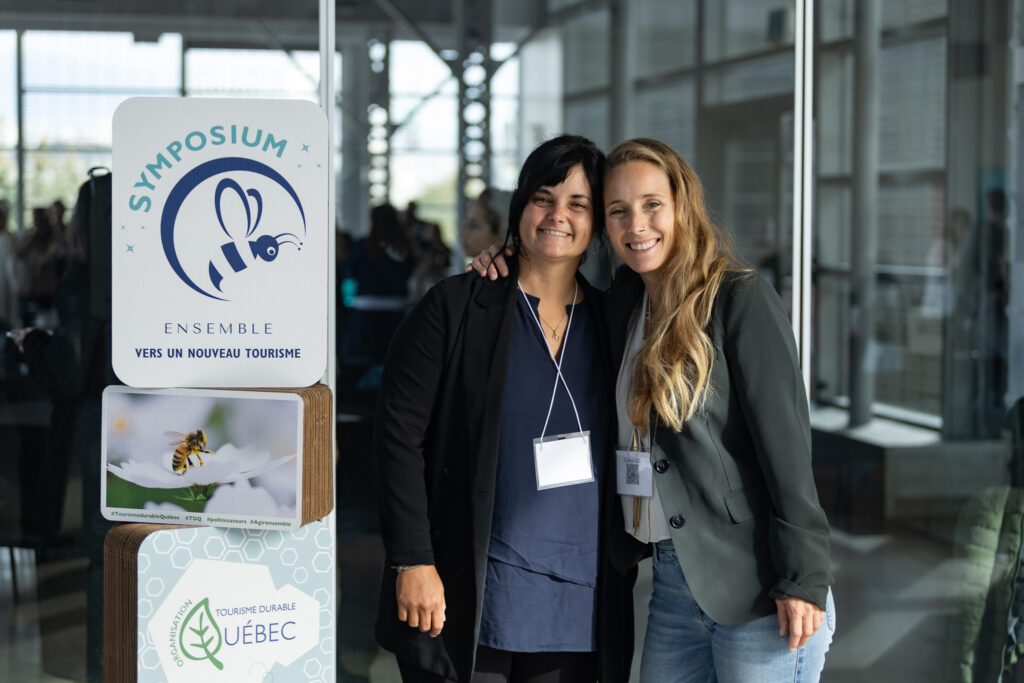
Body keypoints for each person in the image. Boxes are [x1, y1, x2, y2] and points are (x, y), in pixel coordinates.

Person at [472, 137, 834, 682]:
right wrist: (507, 257)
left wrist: (803, 579)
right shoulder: (624, 302)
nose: (636, 225)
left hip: (757, 583)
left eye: (651, 205)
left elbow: (790, 455)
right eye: (617, 211)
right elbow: (549, 276)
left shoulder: (738, 299)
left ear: (682, 205)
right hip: (671, 581)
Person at [374, 134, 634, 683]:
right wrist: (413, 560)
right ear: (520, 208)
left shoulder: (616, 324)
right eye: (544, 197)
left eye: (578, 204)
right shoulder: (457, 307)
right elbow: (398, 437)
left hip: (579, 595)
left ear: (597, 225)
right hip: (471, 589)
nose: (557, 215)